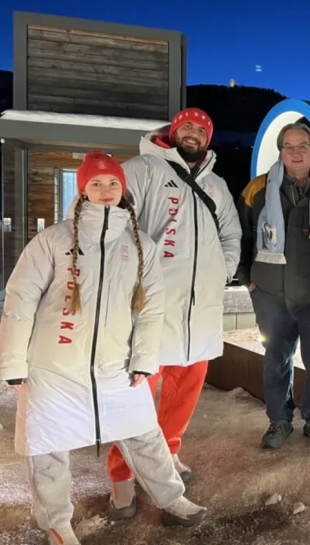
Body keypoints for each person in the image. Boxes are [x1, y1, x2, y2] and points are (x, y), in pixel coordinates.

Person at [0, 152, 207, 545]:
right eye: (96, 184)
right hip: (54, 368)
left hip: (117, 366)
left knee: (145, 435)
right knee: (47, 448)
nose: (106, 191)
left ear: (122, 189)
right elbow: (20, 298)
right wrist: (12, 362)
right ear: (82, 190)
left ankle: (172, 499)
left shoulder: (140, 244)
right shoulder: (54, 240)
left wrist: (145, 358)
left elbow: (151, 309)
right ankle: (57, 523)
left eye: (112, 183)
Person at [106, 108, 242, 514]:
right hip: (152, 305)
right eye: (187, 127)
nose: (194, 134)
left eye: (202, 129)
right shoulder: (143, 168)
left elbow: (231, 234)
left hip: (198, 311)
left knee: (186, 389)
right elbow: (114, 221)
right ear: (173, 132)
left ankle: (167, 453)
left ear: (208, 138)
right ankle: (122, 473)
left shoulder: (216, 185)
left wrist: (222, 273)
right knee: (136, 395)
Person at [236, 122, 310, 450]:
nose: (296, 153)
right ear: (280, 151)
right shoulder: (257, 189)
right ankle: (279, 420)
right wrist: (247, 279)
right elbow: (241, 235)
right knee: (275, 359)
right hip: (270, 295)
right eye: (289, 146)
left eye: (303, 146)